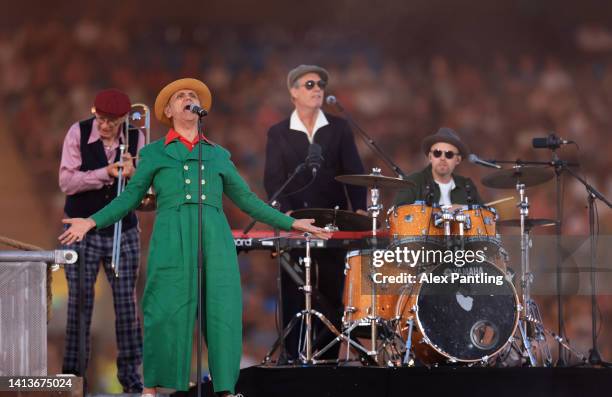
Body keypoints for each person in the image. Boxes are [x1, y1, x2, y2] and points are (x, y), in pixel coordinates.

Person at [59, 78, 329, 397]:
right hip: (171, 235)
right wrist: (90, 221)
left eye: (192, 95)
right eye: (181, 96)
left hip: (214, 235)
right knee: (162, 308)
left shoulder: (217, 155)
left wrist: (292, 224)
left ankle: (225, 388)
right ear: (170, 110)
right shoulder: (154, 153)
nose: (188, 98)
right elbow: (128, 197)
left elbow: (248, 200)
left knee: (223, 310)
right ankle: (152, 387)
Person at [263, 65, 367, 362]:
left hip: (334, 222)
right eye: (309, 84)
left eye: (320, 83)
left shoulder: (339, 128)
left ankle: (328, 357)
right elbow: (273, 180)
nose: (317, 88)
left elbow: (354, 171)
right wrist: (285, 214)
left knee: (333, 291)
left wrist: (357, 208)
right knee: (292, 289)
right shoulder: (278, 133)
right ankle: (292, 355)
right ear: (293, 92)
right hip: (295, 222)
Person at [58, 88, 145, 393]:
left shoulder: (136, 137)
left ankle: (132, 380)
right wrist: (106, 172)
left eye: (111, 120)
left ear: (123, 118)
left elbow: (142, 186)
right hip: (81, 229)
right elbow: (66, 182)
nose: (104, 125)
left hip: (124, 230)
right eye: (100, 118)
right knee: (79, 302)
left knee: (126, 306)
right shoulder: (77, 133)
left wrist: (134, 173)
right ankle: (73, 376)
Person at [394, 127, 483, 207]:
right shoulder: (412, 182)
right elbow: (397, 216)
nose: (442, 158)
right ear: (430, 157)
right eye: (437, 153)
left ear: (458, 160)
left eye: (449, 154)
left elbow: (485, 218)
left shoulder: (467, 186)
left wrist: (463, 209)